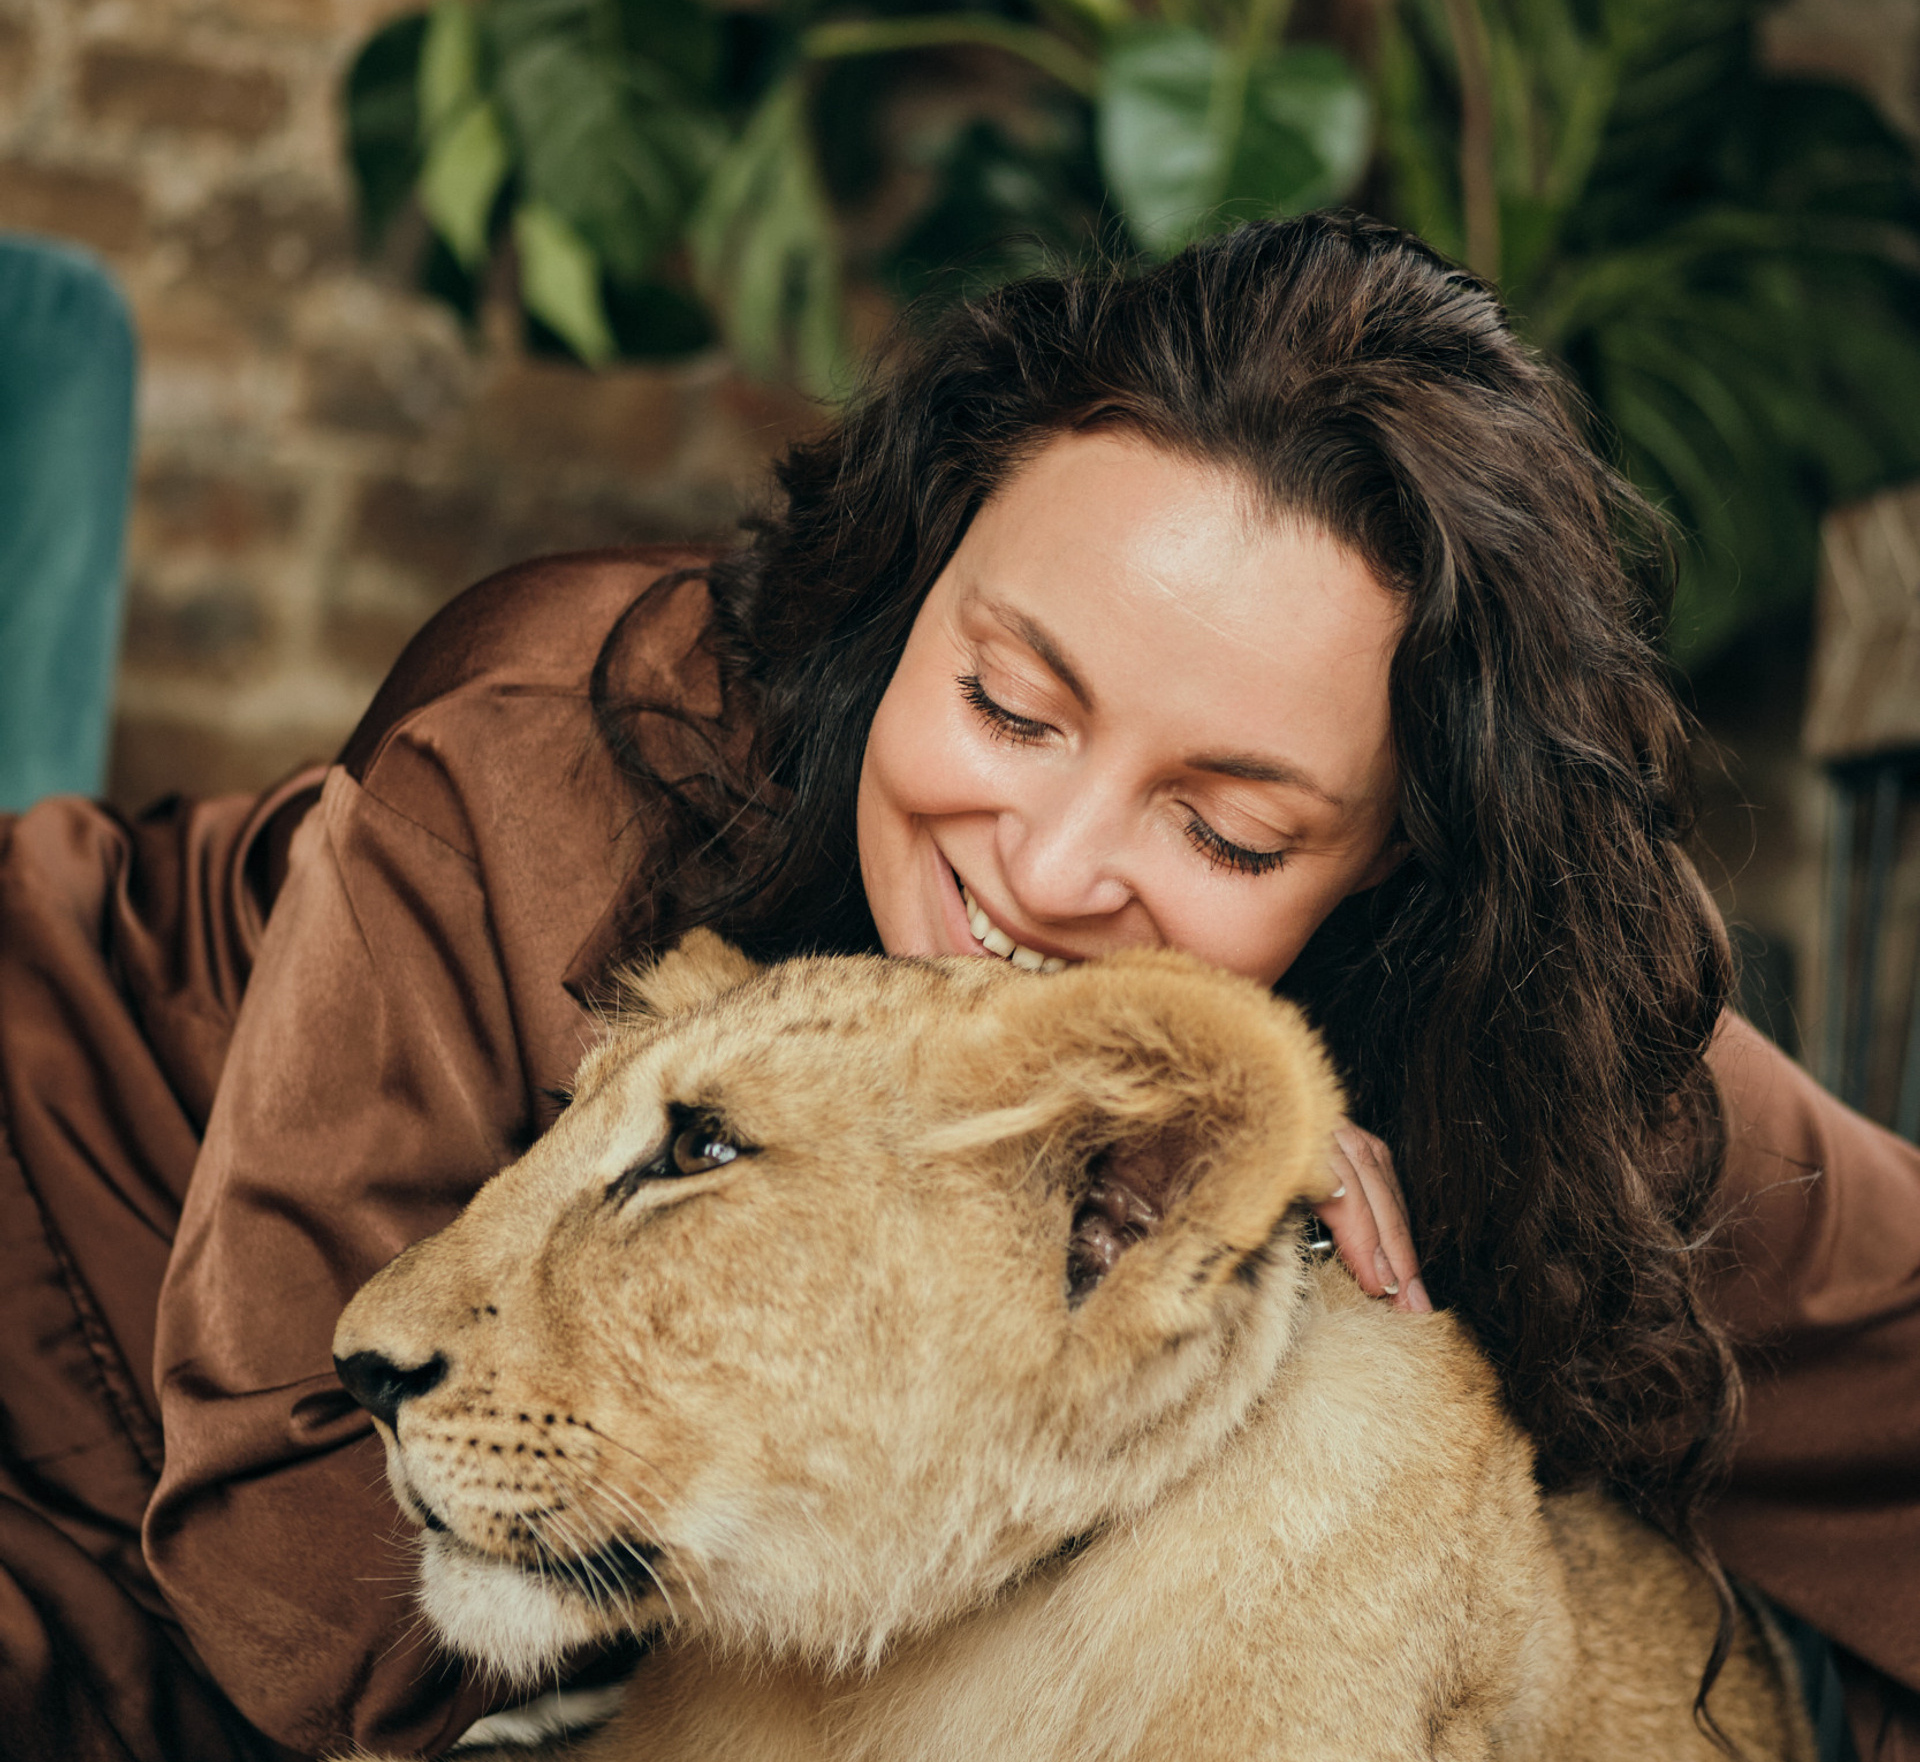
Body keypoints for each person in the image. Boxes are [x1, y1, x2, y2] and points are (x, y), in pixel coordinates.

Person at [1, 213, 1914, 1762]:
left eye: (1228, 830)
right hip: (66, 1196)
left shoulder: (1527, 1007)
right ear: (922, 571)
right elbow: (294, 1563)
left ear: (1397, 868)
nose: (1052, 870)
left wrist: (1198, 1150)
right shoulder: (547, 755)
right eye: (1009, 703)